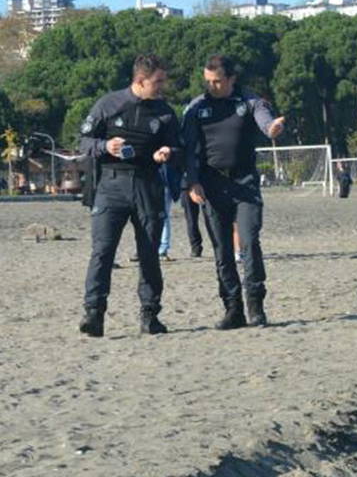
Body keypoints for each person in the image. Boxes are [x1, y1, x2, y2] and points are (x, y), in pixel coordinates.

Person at [78, 54, 181, 337]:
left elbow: (179, 148)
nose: (162, 87)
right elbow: (83, 141)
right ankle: (94, 314)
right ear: (140, 80)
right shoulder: (108, 104)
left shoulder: (165, 112)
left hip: (148, 186)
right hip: (111, 186)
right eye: (157, 82)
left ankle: (150, 315)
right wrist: (104, 145)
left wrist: (169, 152)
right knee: (102, 251)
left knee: (149, 253)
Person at [183, 54, 284, 329]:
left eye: (217, 81)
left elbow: (265, 121)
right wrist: (192, 182)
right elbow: (188, 150)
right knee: (222, 251)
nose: (212, 86)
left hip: (245, 183)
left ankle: (255, 305)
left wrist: (272, 128)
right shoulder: (196, 107)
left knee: (249, 242)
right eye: (208, 81)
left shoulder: (249, 101)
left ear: (231, 79)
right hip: (211, 186)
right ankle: (233, 309)